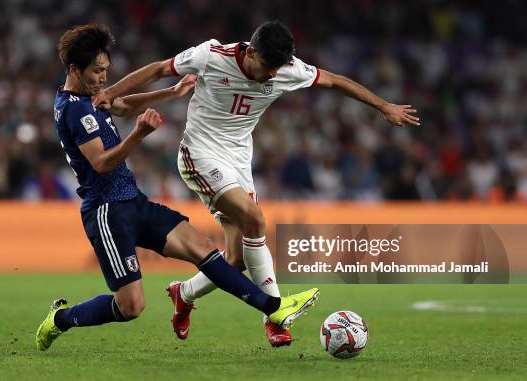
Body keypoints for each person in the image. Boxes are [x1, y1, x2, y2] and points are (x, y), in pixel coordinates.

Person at [93, 21, 419, 347]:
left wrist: (383, 106)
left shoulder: (288, 69)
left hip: (238, 162)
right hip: (200, 154)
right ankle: (274, 316)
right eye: (267, 68)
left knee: (235, 258)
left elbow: (334, 81)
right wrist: (112, 92)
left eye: (277, 69)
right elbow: (158, 69)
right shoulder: (210, 55)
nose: (272, 76)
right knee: (255, 218)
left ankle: (185, 292)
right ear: (250, 52)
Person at [35, 23, 319, 351]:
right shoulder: (74, 109)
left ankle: (274, 309)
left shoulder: (87, 97)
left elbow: (123, 105)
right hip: (107, 212)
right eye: (97, 71)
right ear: (74, 69)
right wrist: (139, 133)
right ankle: (61, 319)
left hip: (133, 201)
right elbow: (100, 163)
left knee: (205, 251)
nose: (103, 78)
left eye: (105, 70)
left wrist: (171, 93)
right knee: (131, 307)